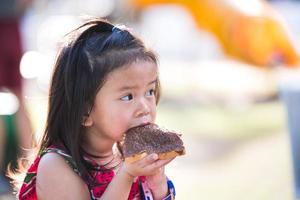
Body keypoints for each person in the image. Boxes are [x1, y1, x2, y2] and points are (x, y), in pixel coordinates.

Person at [17, 19, 177, 200]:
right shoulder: (56, 165)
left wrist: (157, 184)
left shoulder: (128, 157)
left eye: (150, 91)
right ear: (85, 112)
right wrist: (126, 176)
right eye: (127, 97)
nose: (145, 107)